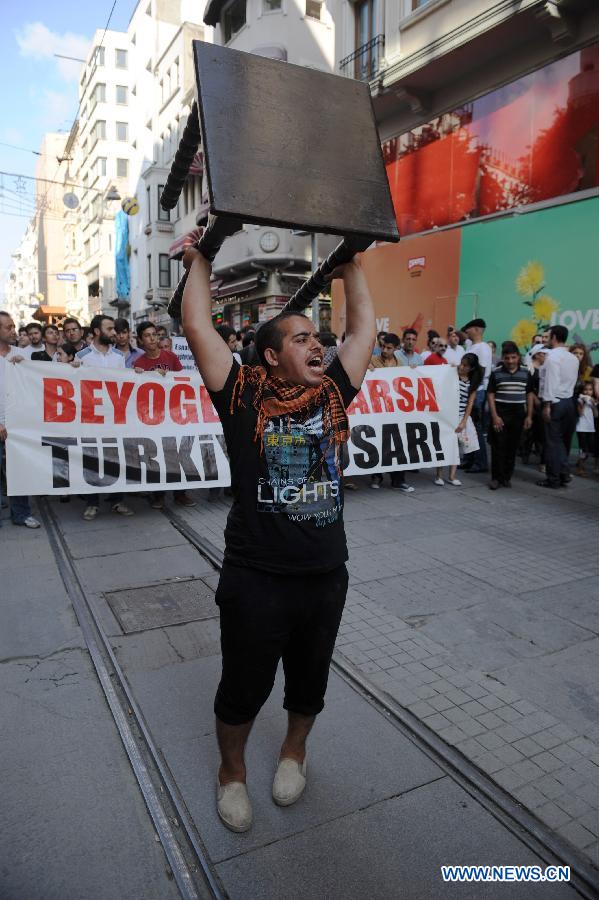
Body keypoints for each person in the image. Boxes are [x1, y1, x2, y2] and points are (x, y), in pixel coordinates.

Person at [181, 243, 375, 834]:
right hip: (255, 578)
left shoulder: (333, 393)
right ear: (270, 356)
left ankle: (294, 752)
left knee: (309, 680)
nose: (317, 345)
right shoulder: (242, 397)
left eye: (318, 337)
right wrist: (201, 257)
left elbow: (362, 327)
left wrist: (349, 266)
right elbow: (195, 323)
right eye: (300, 339)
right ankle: (231, 772)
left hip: (324, 575)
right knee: (244, 686)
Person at [77, 315, 134, 520]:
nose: (114, 333)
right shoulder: (82, 356)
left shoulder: (119, 357)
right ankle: (92, 503)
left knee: (116, 458)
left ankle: (117, 500)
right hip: (91, 418)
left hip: (113, 418)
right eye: (109, 329)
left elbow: (125, 384)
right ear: (97, 331)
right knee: (92, 458)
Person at [0, 311, 40, 528]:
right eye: (8, 327)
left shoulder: (22, 353)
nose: (14, 331)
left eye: (14, 326)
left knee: (19, 470)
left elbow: (37, 383)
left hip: (18, 425)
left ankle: (21, 514)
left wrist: (24, 365)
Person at [487, 341, 534, 489]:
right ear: (503, 358)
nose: (510, 361)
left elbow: (530, 394)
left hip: (518, 413)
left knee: (512, 447)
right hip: (500, 412)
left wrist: (529, 416)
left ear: (518, 357)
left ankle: (506, 477)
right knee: (498, 447)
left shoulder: (526, 373)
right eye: (507, 358)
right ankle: (496, 478)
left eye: (513, 357)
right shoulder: (496, 372)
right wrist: (495, 416)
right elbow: (490, 394)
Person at [538, 325, 579, 489]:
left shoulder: (551, 357)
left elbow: (550, 382)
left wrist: (547, 405)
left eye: (548, 336)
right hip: (569, 401)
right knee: (563, 441)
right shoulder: (573, 358)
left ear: (554, 337)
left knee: (553, 442)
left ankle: (554, 479)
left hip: (555, 402)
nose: (546, 340)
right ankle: (563, 474)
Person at [460, 318, 492, 473]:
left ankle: (481, 462)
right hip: (469, 390)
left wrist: (471, 388)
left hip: (477, 391)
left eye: (469, 328)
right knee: (468, 428)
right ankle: (469, 459)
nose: (467, 331)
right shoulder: (472, 346)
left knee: (476, 429)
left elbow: (482, 372)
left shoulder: (483, 348)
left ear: (478, 329)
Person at [574, 382, 597, 477]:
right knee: (583, 449)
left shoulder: (592, 400)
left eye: (590, 390)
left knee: (589, 450)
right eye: (586, 389)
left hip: (590, 428)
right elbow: (580, 413)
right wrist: (583, 402)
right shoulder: (580, 399)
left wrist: (593, 404)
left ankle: (580, 462)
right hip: (581, 428)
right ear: (582, 391)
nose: (588, 392)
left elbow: (596, 415)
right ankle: (580, 468)